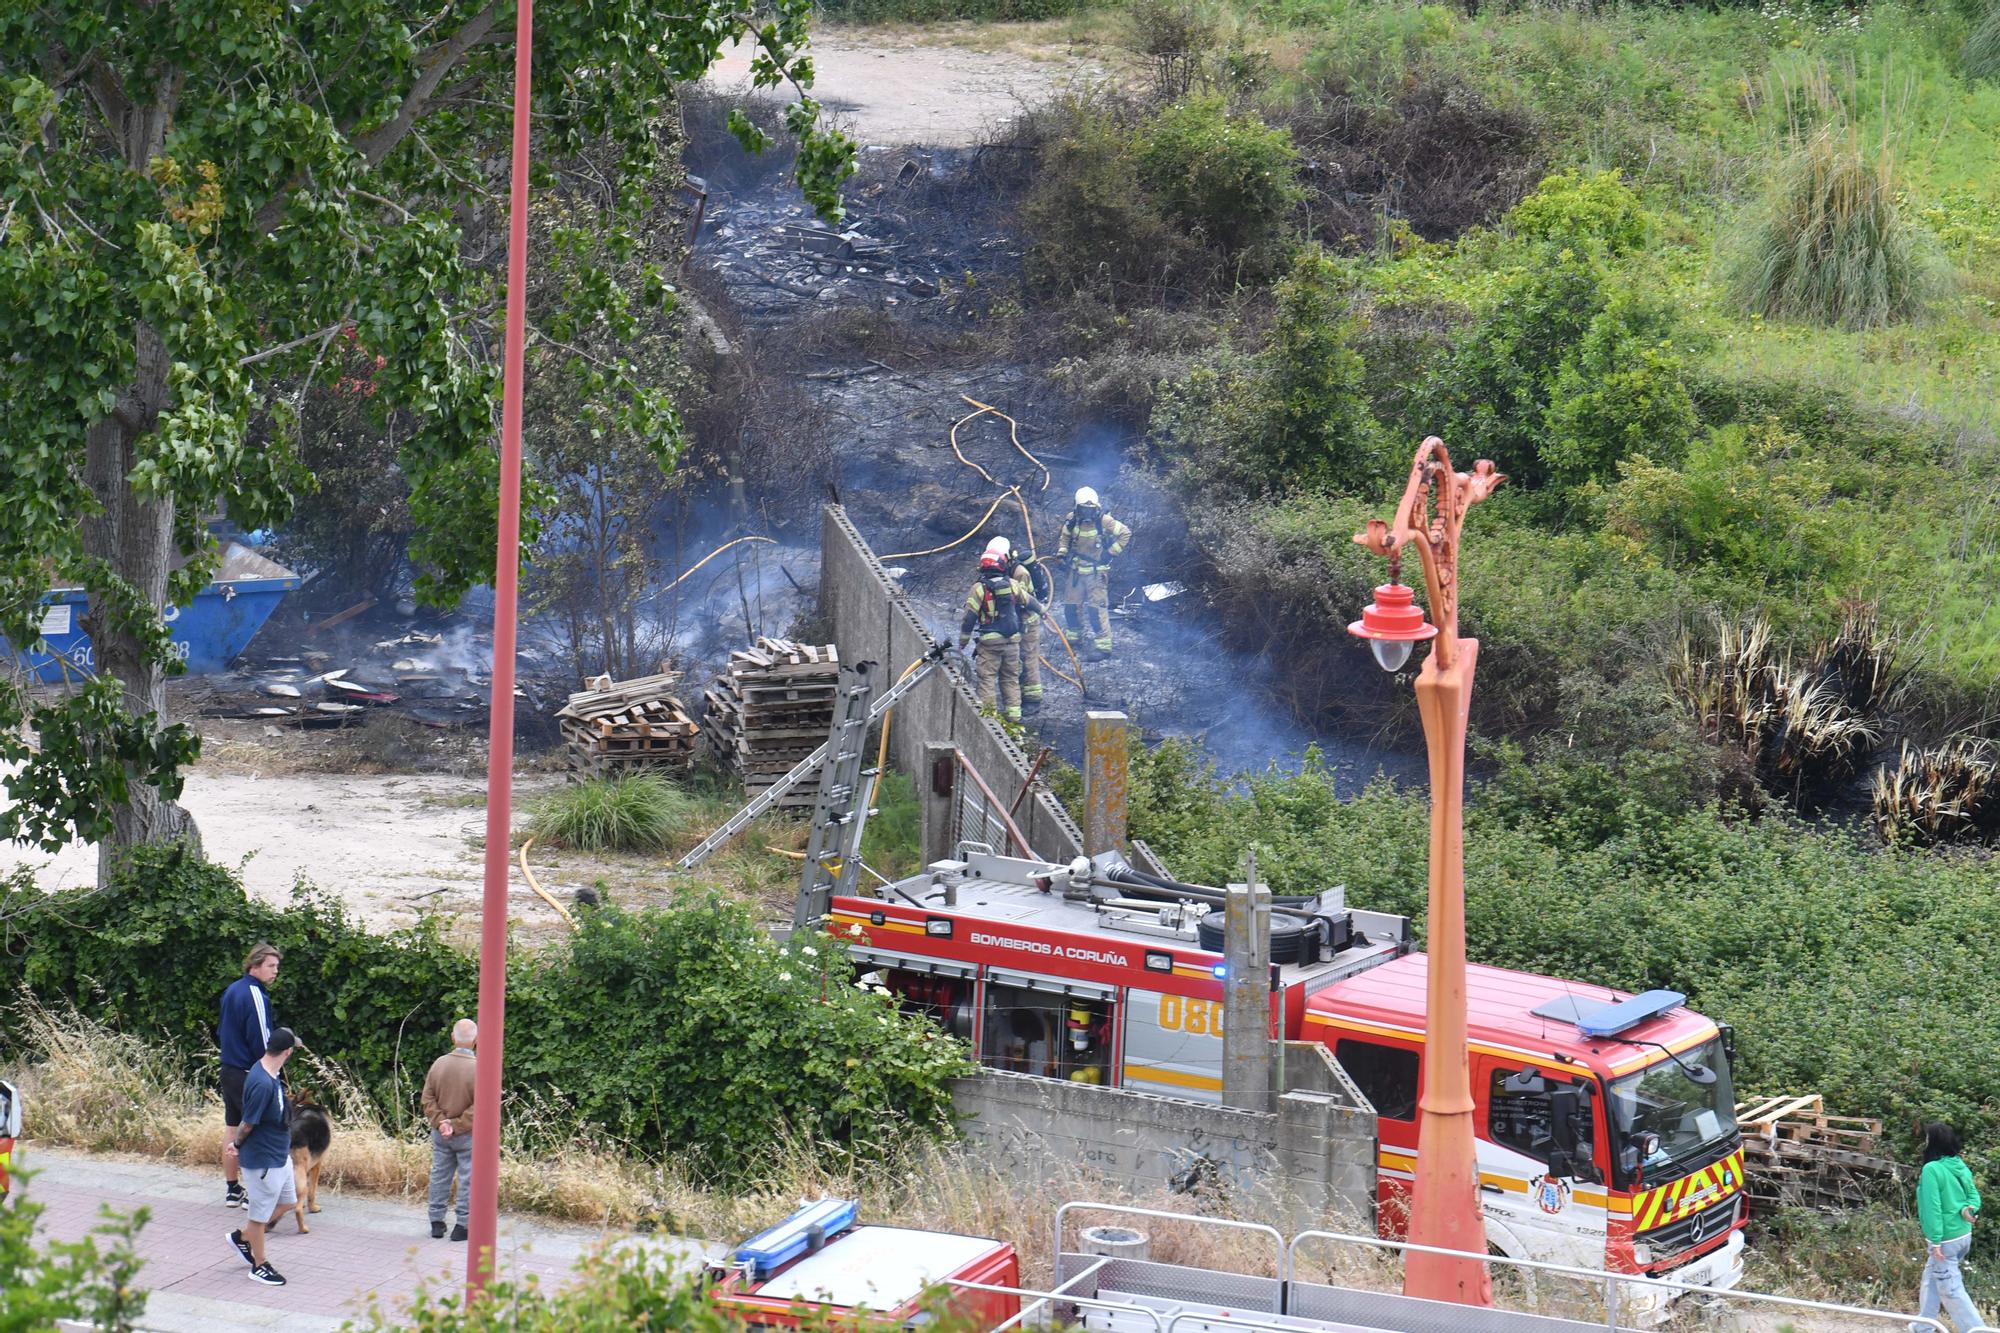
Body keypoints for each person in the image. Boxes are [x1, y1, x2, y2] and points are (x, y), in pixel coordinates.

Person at [225, 1028, 299, 1287]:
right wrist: (236, 1145)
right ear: (288, 1051)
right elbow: (248, 1122)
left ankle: (243, 1237)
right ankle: (259, 1265)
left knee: (289, 1201)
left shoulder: (268, 1071)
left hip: (279, 1154)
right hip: (263, 1160)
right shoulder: (261, 1083)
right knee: (258, 1216)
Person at [218, 943, 280, 1209]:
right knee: (257, 1131)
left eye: (277, 966)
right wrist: (271, 1070)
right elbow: (262, 1039)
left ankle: (233, 1190)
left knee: (233, 1128)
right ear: (254, 965)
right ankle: (257, 1194)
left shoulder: (232, 989)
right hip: (248, 1073)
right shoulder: (255, 994)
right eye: (271, 966)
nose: (275, 972)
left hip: (228, 1069)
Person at [1911, 1123, 1983, 1333]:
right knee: (1931, 1279)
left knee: (1950, 1289)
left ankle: (1977, 1330)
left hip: (1945, 1239)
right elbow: (1973, 1197)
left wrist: (1935, 1241)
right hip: (1963, 1235)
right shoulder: (1959, 1164)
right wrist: (1968, 1209)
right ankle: (1923, 1326)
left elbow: (1932, 1207)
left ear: (1932, 1143)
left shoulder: (1932, 1169)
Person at [957, 545, 1041, 723]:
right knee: (1010, 678)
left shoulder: (978, 589)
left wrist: (963, 640)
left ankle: (990, 719)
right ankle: (1014, 716)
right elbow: (1029, 601)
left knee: (987, 679)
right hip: (1012, 642)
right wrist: (1043, 612)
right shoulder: (1012, 584)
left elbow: (969, 618)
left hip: (990, 644)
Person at [1054, 487, 1131, 658]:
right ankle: (1074, 640)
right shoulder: (1071, 519)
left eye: (1090, 509)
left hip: (1096, 573)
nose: (1087, 512)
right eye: (1083, 509)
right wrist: (1061, 554)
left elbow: (1125, 533)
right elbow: (1065, 538)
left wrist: (1110, 552)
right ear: (1077, 507)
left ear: (1096, 507)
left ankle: (1103, 647)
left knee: (1096, 609)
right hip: (1076, 570)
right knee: (1071, 607)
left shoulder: (1105, 521)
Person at [421, 1018, 479, 1242]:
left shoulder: (439, 1064)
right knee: (468, 1178)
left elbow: (427, 1098)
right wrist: (457, 1125)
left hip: (440, 1133)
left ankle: (436, 1221)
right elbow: (481, 1105)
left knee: (439, 1175)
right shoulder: (480, 1069)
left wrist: (442, 1122)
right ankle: (462, 1226)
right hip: (467, 1134)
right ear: (476, 1040)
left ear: (453, 1038)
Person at [996, 536, 1054, 716]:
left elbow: (1023, 600)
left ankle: (1033, 699)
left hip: (1027, 621)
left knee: (1028, 658)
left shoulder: (1020, 573)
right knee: (1017, 658)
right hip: (1017, 620)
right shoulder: (1005, 569)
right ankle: (1019, 694)